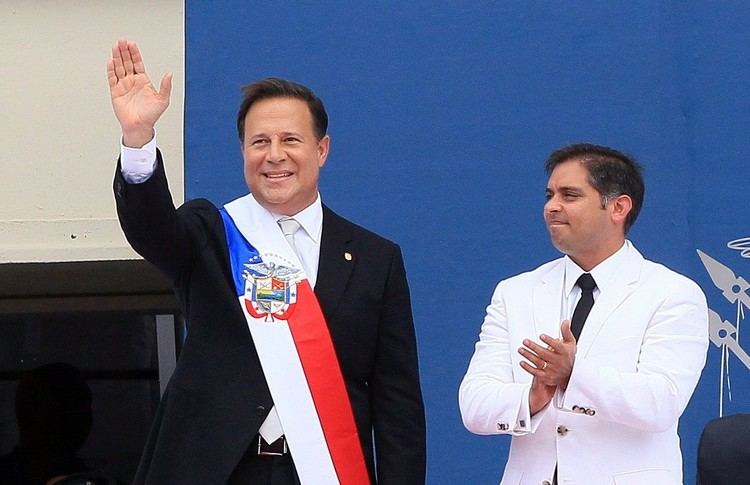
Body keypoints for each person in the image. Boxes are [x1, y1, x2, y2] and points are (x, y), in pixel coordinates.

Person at [106, 39, 425, 485]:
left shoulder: (376, 259)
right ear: (243, 152)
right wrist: (138, 139)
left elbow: (397, 402)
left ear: (322, 150)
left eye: (290, 140)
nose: (274, 155)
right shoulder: (210, 232)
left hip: (319, 472)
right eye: (260, 142)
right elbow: (150, 230)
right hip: (215, 471)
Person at [458, 143, 709, 485]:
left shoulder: (671, 293)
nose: (552, 207)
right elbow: (474, 406)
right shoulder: (516, 292)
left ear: (618, 207)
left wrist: (574, 374)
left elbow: (660, 403)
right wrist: (531, 398)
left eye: (570, 195)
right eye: (549, 195)